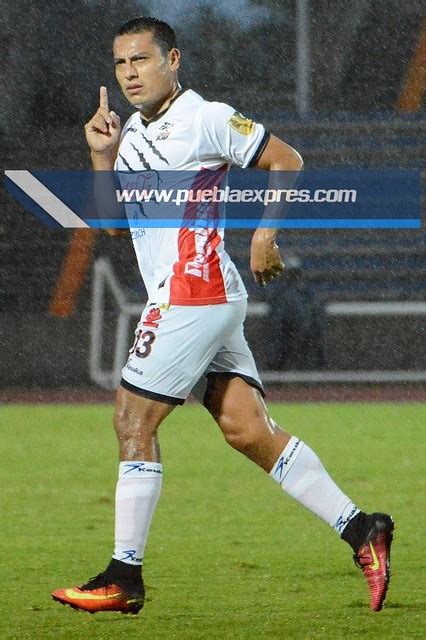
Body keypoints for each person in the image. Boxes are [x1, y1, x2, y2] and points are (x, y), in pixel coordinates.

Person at [52, 16, 393, 615]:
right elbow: (110, 224)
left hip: (193, 292)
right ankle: (361, 528)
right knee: (247, 430)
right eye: (121, 64)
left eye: (142, 60)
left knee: (133, 421)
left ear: (173, 59)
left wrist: (266, 233)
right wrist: (100, 156)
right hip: (204, 294)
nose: (130, 73)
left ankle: (123, 577)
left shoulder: (207, 118)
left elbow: (287, 160)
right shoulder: (129, 132)